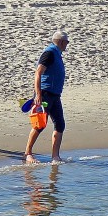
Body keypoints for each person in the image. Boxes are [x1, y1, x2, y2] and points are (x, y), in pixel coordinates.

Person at [25, 31, 70, 164]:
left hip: (55, 95)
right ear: (61, 42)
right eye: (66, 42)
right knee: (39, 125)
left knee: (60, 124)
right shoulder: (49, 53)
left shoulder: (57, 53)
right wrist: (38, 95)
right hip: (44, 94)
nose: (67, 44)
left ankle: (55, 157)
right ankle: (27, 154)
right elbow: (38, 72)